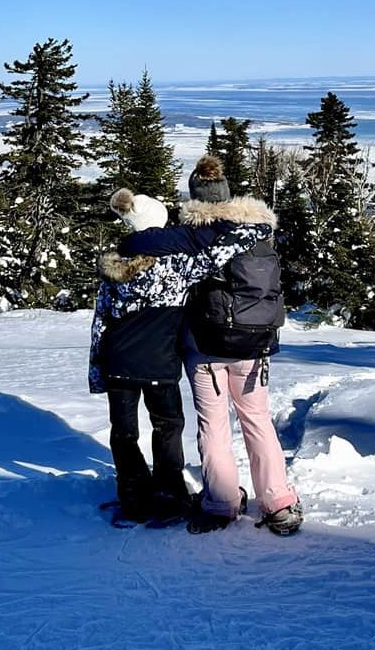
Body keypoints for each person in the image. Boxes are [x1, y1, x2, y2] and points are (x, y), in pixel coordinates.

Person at [118, 155, 303, 535]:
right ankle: (278, 502)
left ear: (196, 198)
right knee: (257, 419)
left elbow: (134, 241)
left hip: (205, 346)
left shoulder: (196, 233)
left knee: (213, 424)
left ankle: (221, 502)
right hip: (254, 345)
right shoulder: (260, 228)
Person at [89, 187, 273, 526]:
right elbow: (217, 255)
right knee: (168, 426)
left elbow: (100, 323)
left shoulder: (113, 272)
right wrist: (257, 228)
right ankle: (170, 492)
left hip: (118, 364)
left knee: (124, 431)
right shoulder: (175, 268)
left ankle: (133, 496)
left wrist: (97, 372)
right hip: (160, 362)